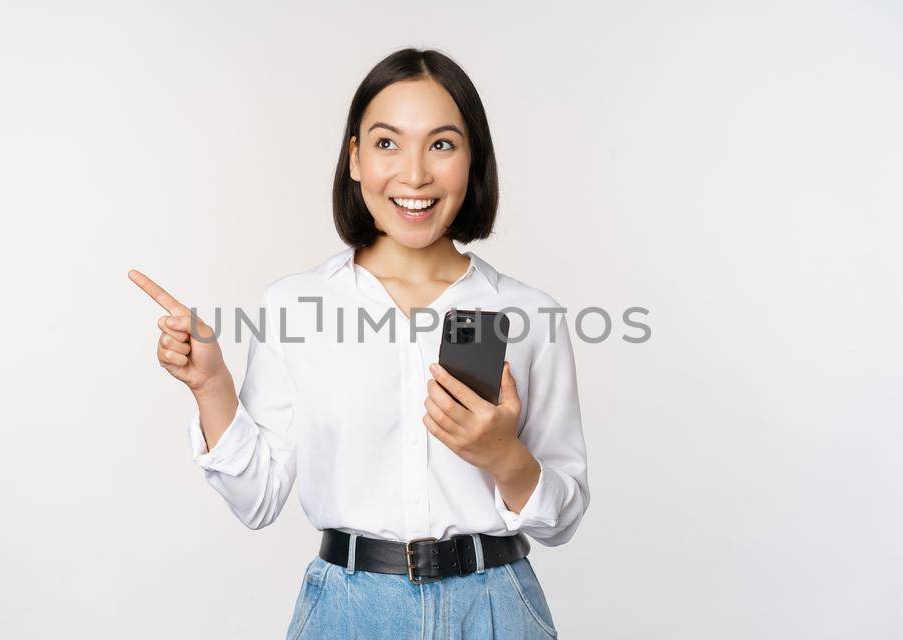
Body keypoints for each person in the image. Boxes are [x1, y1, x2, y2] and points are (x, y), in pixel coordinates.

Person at [128, 48, 590, 639]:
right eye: (387, 143)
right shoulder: (295, 304)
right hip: (346, 613)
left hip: (496, 609)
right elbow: (257, 501)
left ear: (473, 161)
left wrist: (503, 455)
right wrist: (212, 387)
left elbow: (562, 519)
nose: (415, 174)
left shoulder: (529, 314)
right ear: (354, 158)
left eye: (443, 144)